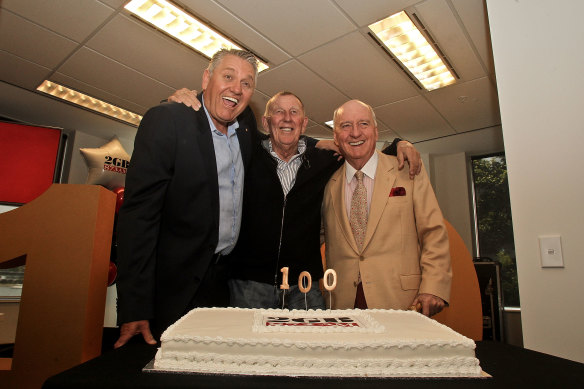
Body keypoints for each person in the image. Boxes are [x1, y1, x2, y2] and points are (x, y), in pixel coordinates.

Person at [170, 90, 423, 310]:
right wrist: (181, 101)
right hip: (249, 284)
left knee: (312, 355)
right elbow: (211, 123)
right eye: (279, 112)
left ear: (303, 123)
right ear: (266, 122)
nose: (287, 118)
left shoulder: (324, 161)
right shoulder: (247, 154)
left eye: (294, 112)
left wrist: (400, 144)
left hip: (305, 283)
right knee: (250, 358)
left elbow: (361, 151)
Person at [114, 48, 259, 348]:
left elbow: (281, 136)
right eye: (228, 76)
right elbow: (138, 218)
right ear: (207, 78)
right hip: (171, 289)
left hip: (222, 283)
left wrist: (326, 143)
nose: (237, 88)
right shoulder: (168, 120)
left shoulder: (245, 129)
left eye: (247, 83)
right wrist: (135, 304)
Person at [322, 100, 451, 317]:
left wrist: (434, 287)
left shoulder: (408, 171)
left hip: (402, 302)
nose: (355, 133)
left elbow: (433, 233)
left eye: (363, 124)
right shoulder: (328, 185)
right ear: (335, 137)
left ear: (375, 130)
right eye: (345, 126)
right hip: (341, 306)